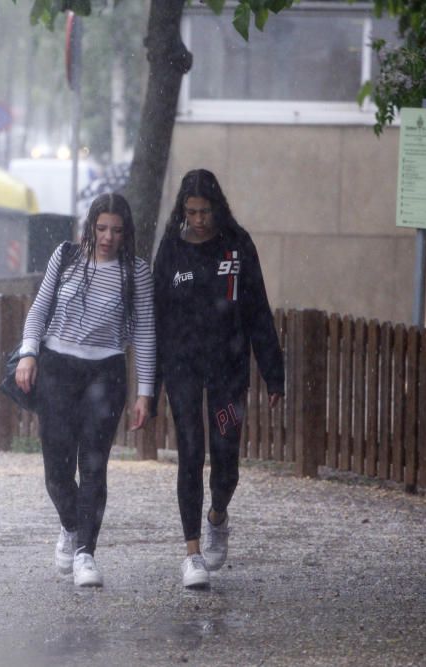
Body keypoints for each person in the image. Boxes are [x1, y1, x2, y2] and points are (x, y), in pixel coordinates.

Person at [152, 169, 284, 590]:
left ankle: (217, 517)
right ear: (182, 211)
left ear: (217, 208)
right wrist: (149, 387)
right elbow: (156, 319)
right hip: (182, 367)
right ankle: (192, 553)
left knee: (226, 460)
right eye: (191, 212)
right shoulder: (171, 249)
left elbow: (258, 308)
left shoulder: (237, 245)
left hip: (228, 367)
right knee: (190, 452)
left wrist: (273, 371)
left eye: (205, 211)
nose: (198, 220)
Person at [15, 192, 156, 588]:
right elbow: (38, 310)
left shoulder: (136, 272)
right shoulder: (65, 257)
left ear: (126, 233)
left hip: (105, 373)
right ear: (90, 226)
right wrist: (29, 354)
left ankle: (86, 554)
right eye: (101, 228)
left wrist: (145, 392)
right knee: (57, 472)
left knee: (93, 466)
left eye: (116, 230)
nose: (108, 237)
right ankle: (70, 525)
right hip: (58, 367)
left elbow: (144, 332)